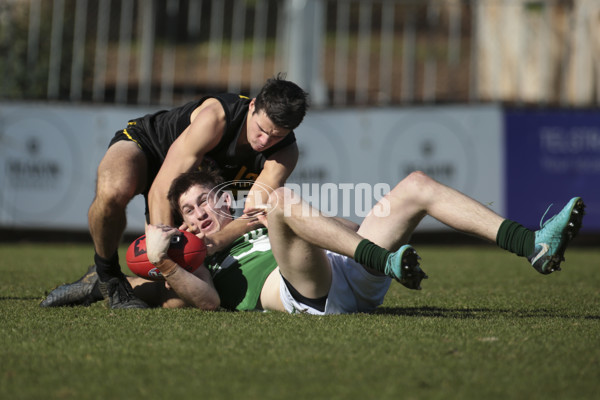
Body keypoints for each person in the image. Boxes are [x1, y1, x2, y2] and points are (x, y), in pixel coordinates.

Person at [41, 169, 585, 314]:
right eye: (188, 212)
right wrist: (159, 264)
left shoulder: (243, 216)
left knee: (416, 186)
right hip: (310, 294)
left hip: (352, 268)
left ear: (222, 197)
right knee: (279, 200)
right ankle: (385, 260)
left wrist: (360, 236)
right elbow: (204, 301)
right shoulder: (187, 260)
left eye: (205, 201)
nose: (201, 215)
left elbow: (337, 232)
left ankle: (532, 242)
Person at [85, 74, 309, 309]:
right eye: (261, 130)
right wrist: (165, 251)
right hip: (149, 147)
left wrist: (213, 242)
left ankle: (102, 286)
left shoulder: (284, 154)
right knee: (113, 191)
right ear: (252, 105)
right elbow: (160, 189)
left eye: (277, 136)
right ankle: (106, 274)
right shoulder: (216, 118)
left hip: (190, 186)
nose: (264, 141)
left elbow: (253, 214)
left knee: (175, 301)